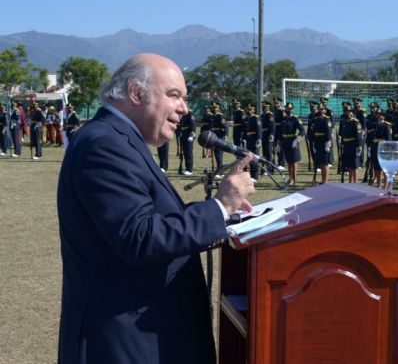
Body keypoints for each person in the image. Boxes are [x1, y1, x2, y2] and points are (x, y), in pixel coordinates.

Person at [56, 53, 255, 364]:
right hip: (124, 343)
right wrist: (219, 206)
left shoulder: (121, 141)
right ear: (137, 93)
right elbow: (140, 237)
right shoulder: (104, 145)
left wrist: (224, 213)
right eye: (174, 95)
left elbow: (150, 220)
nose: (184, 109)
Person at [278, 102, 305, 185]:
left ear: (292, 109)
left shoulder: (295, 119)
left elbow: (302, 131)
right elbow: (280, 132)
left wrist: (297, 139)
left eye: (290, 108)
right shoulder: (283, 119)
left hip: (292, 141)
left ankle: (293, 179)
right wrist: (279, 143)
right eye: (287, 108)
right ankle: (290, 179)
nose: (288, 110)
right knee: (289, 161)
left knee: (294, 161)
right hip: (285, 141)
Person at [339, 106, 363, 183]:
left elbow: (359, 136)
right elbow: (343, 134)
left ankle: (355, 183)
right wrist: (342, 143)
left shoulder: (356, 123)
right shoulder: (344, 122)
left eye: (350, 112)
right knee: (349, 165)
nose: (349, 113)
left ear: (353, 114)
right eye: (348, 112)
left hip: (354, 145)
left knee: (355, 165)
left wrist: (359, 146)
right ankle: (350, 182)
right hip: (346, 145)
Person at [311, 104, 333, 184]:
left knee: (325, 163)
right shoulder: (316, 119)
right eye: (320, 109)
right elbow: (313, 131)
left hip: (324, 142)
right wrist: (314, 142)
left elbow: (328, 133)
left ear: (325, 110)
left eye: (323, 109)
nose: (321, 110)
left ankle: (325, 181)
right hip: (317, 142)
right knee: (320, 162)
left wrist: (327, 143)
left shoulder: (327, 120)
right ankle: (322, 180)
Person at [244, 104, 262, 181]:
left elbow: (259, 129)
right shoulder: (247, 119)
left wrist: (259, 139)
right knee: (250, 157)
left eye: (250, 110)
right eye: (248, 110)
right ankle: (251, 176)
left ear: (253, 110)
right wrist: (244, 138)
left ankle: (255, 176)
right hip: (249, 140)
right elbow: (245, 130)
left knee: (255, 158)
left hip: (254, 140)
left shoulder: (256, 118)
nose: (249, 111)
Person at [179, 109, 196, 175]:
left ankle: (190, 170)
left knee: (189, 152)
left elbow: (193, 124)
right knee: (185, 152)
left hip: (189, 135)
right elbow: (182, 125)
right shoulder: (184, 114)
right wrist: (181, 132)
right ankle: (187, 168)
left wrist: (192, 135)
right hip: (184, 134)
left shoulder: (190, 113)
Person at [260, 100, 275, 174]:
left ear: (268, 107)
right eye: (263, 107)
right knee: (264, 153)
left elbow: (272, 126)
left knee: (269, 153)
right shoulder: (262, 115)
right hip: (263, 135)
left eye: (265, 107)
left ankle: (270, 170)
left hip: (268, 135)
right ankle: (264, 168)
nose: (264, 108)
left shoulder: (270, 115)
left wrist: (272, 135)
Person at [272, 97, 285, 170]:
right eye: (275, 103)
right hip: (274, 131)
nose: (276, 104)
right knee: (276, 147)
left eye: (277, 103)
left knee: (280, 147)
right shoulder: (274, 111)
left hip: (280, 130)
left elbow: (283, 123)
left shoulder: (281, 111)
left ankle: (282, 164)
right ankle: (279, 162)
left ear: (280, 103)